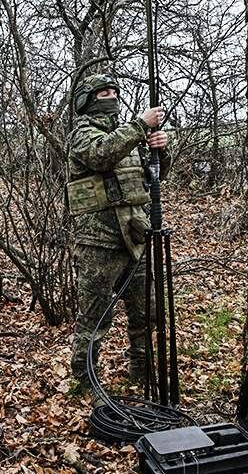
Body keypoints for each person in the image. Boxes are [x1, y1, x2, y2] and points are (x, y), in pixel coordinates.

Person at [66, 73, 170, 394]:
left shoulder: (128, 135)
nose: (111, 97)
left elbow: (153, 177)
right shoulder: (82, 134)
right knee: (94, 316)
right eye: (103, 93)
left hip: (135, 236)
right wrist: (140, 126)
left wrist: (160, 151)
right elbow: (102, 155)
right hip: (99, 242)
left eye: (114, 91)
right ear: (87, 100)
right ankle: (84, 381)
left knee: (145, 311)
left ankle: (141, 370)